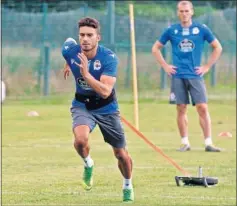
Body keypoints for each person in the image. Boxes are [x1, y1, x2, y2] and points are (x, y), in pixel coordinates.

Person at [61, 17, 134, 202]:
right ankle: (88, 164)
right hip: (82, 105)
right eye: (82, 35)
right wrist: (68, 63)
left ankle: (127, 185)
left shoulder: (108, 58)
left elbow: (105, 91)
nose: (85, 39)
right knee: (80, 140)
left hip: (106, 107)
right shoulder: (71, 51)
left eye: (89, 35)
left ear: (98, 37)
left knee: (121, 154)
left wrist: (85, 74)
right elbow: (67, 45)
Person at [152, 1, 223, 152]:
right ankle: (185, 143)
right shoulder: (171, 30)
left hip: (195, 75)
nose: (184, 14)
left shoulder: (201, 29)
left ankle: (208, 143)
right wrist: (165, 65)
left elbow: (217, 47)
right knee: (181, 108)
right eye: (181, 11)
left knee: (202, 107)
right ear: (178, 13)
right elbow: (156, 48)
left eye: (186, 11)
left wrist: (207, 66)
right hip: (178, 75)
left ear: (192, 12)